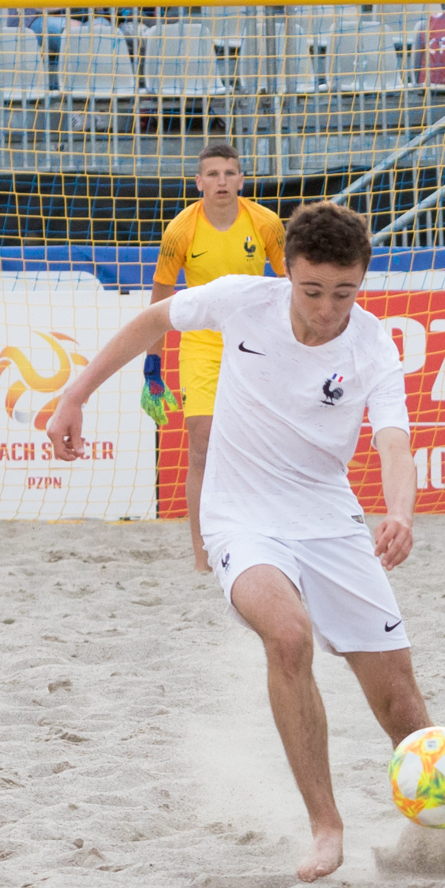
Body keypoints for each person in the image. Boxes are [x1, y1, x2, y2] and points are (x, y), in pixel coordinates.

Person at [48, 202, 427, 883]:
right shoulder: (242, 301)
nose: (326, 308)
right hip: (240, 517)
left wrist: (399, 511)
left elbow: (395, 440)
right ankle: (326, 825)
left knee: (401, 704)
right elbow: (150, 322)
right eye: (312, 290)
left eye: (344, 292)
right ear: (289, 274)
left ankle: (442, 825)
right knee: (288, 636)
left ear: (362, 281)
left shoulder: (371, 344)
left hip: (330, 519)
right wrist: (75, 394)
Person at [143, 143, 286, 573]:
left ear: (241, 181)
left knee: (261, 446)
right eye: (213, 174)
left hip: (254, 343)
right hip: (201, 346)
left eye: (229, 173)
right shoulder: (180, 231)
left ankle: (265, 540)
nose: (221, 181)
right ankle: (203, 557)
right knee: (202, 447)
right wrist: (153, 364)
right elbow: (161, 296)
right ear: (199, 182)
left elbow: (294, 284)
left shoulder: (265, 223)